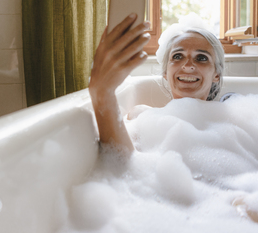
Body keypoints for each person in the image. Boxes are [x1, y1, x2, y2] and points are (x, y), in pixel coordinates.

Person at [88, 13, 225, 151]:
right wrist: (102, 92)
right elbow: (123, 162)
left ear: (217, 74)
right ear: (165, 72)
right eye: (178, 56)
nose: (187, 65)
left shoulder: (231, 124)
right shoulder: (142, 118)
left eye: (201, 58)